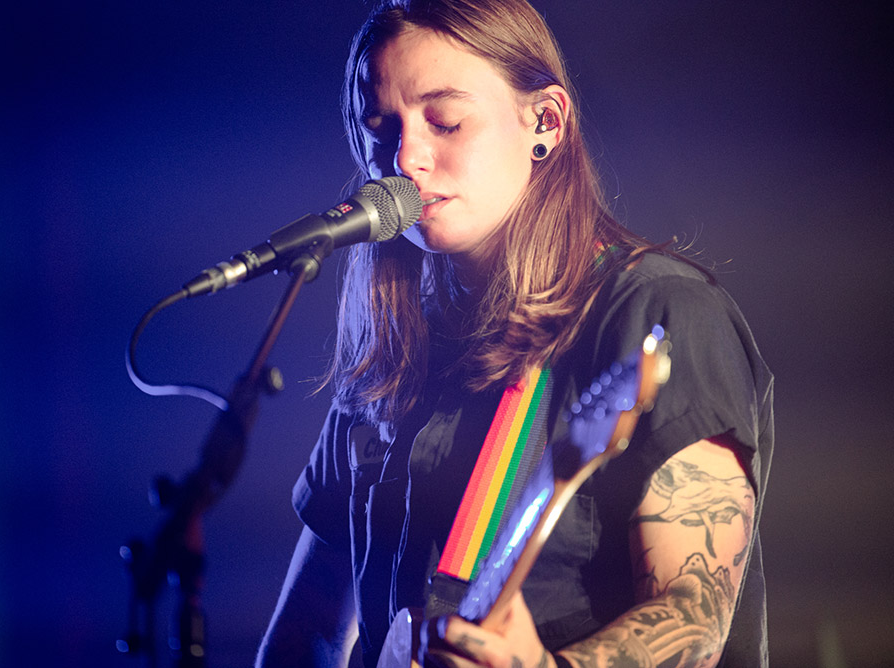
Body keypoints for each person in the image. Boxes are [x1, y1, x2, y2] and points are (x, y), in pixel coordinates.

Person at [257, 1, 773, 667]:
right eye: (380, 128)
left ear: (545, 122)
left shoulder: (658, 311)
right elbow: (306, 635)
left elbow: (694, 615)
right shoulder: (391, 352)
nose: (405, 156)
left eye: (445, 120)